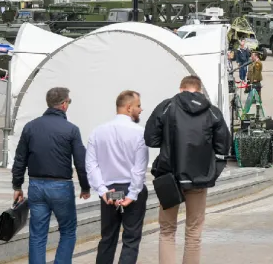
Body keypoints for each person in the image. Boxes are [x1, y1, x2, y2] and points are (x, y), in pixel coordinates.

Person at [144, 75, 229, 264]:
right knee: (193, 233)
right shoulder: (212, 112)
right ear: (199, 90)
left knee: (167, 230)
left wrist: (167, 142)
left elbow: (150, 138)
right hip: (199, 179)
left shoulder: (167, 106)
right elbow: (223, 146)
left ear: (181, 88)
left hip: (169, 177)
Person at [12, 87, 90, 262]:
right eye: (69, 102)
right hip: (61, 187)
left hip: (36, 186)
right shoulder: (71, 129)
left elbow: (20, 159)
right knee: (68, 231)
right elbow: (80, 163)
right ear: (63, 104)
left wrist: (17, 186)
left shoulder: (30, 127)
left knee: (37, 234)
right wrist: (85, 187)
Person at [86, 90, 148, 264]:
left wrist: (103, 191)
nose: (141, 109)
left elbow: (91, 165)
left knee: (107, 237)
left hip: (110, 190)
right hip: (130, 188)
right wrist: (133, 194)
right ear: (129, 108)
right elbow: (139, 168)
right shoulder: (139, 133)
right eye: (138, 106)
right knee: (131, 239)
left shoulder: (98, 132)